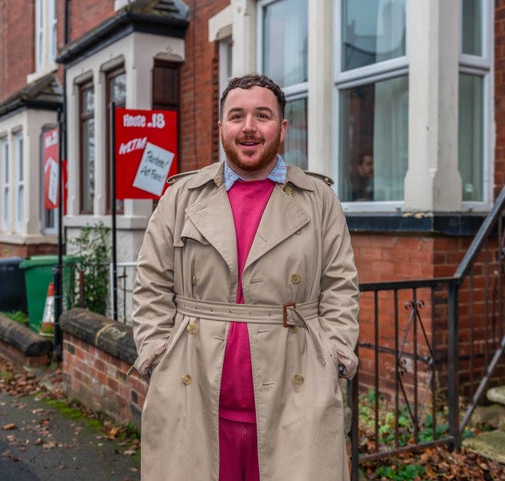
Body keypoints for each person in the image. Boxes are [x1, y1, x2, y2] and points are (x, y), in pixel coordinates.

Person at [131, 73, 360, 481]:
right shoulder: (182, 197)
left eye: (263, 115)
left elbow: (340, 285)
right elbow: (151, 281)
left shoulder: (319, 199)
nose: (249, 127)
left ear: (282, 127)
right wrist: (154, 353)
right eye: (236, 116)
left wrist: (337, 355)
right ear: (221, 127)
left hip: (296, 394)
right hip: (193, 392)